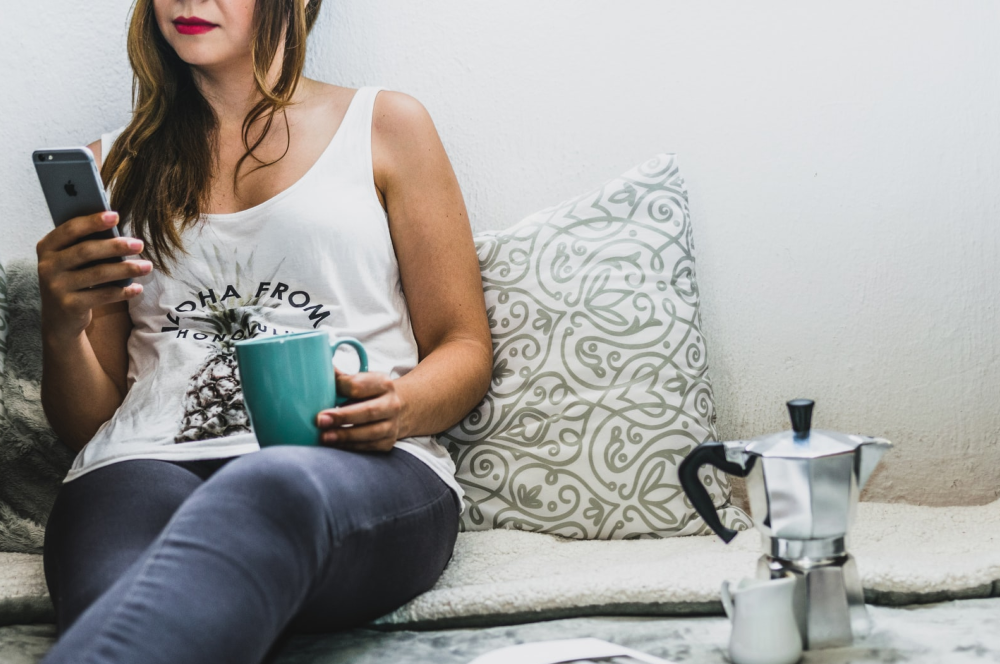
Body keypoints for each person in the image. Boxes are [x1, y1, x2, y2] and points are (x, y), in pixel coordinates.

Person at [34, 1, 492, 662]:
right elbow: (89, 424)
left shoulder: (386, 125)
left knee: (269, 485)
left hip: (350, 466)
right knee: (125, 571)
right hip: (140, 463)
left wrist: (401, 407)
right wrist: (61, 325)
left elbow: (465, 345)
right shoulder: (113, 166)